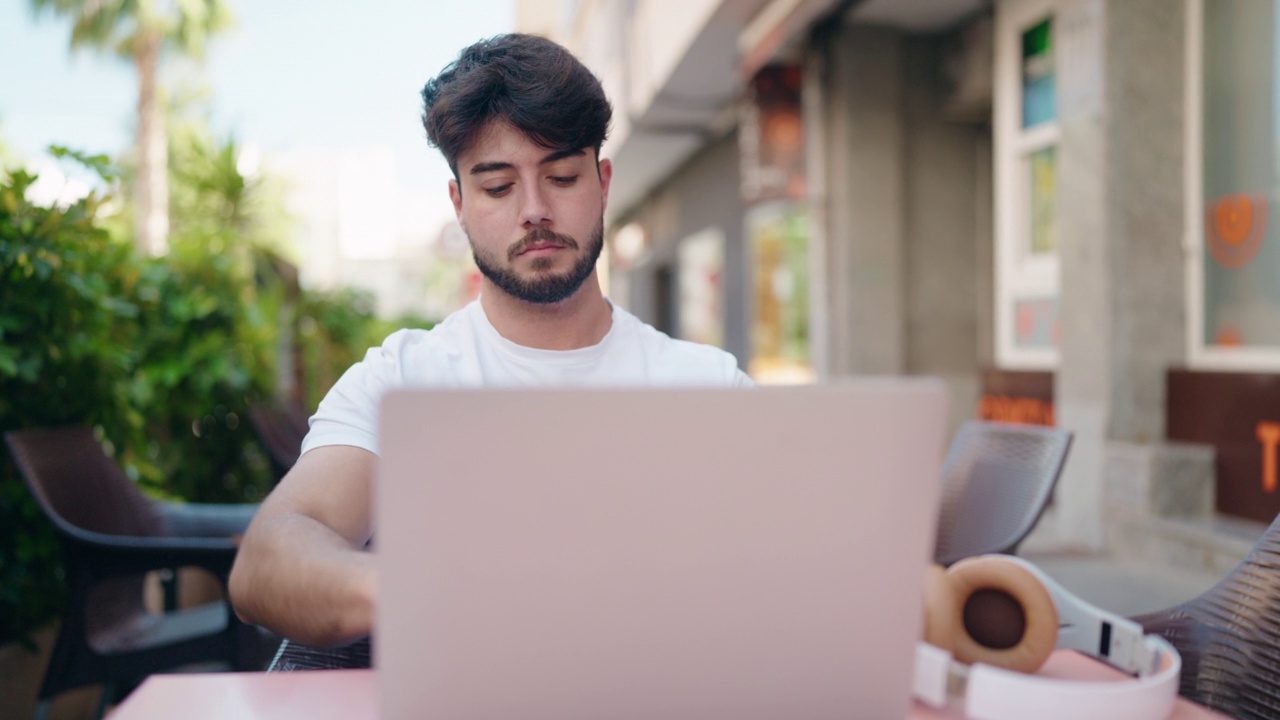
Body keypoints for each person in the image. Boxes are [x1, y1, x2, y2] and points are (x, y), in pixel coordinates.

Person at [229, 33, 752, 648]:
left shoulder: (706, 387)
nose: (534, 210)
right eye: (498, 187)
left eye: (560, 176)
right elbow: (265, 563)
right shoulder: (403, 379)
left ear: (603, 184)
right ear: (459, 203)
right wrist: (429, 592)